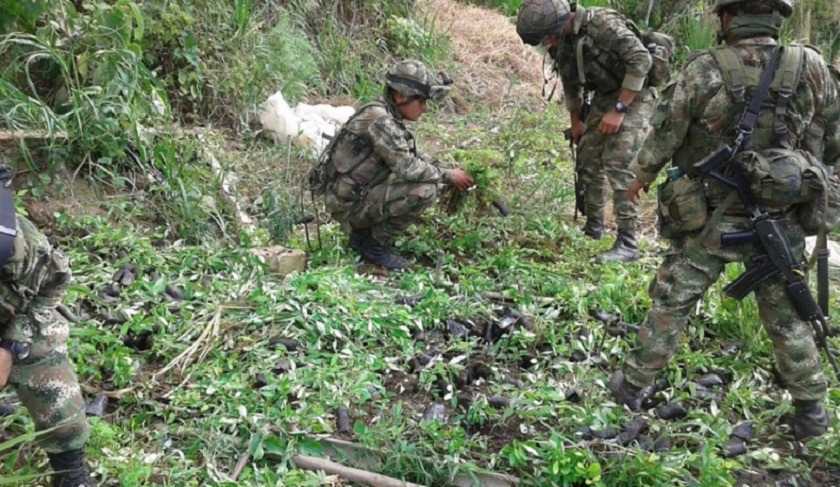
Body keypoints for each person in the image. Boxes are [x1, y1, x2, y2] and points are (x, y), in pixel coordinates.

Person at [610, 0, 840, 441]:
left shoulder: (704, 69)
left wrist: (638, 179)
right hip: (779, 220)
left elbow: (665, 133)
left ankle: (633, 386)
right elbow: (832, 140)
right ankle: (812, 410)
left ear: (729, 18)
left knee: (672, 301)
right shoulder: (811, 65)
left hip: (710, 220)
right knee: (788, 315)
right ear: (775, 18)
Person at [516, 0, 656, 263]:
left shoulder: (602, 26)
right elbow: (570, 80)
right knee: (588, 158)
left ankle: (628, 242)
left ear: (559, 24)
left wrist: (619, 108)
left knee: (618, 161)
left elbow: (641, 60)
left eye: (546, 37)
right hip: (605, 95)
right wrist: (576, 120)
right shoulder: (564, 42)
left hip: (635, 94)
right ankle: (594, 227)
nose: (546, 43)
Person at [319, 59, 474, 270]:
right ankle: (374, 248)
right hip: (347, 205)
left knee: (422, 177)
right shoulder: (381, 121)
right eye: (420, 101)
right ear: (400, 96)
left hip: (349, 196)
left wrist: (445, 169)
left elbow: (407, 157)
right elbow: (408, 167)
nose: (424, 108)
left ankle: (360, 238)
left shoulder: (384, 114)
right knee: (425, 190)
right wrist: (449, 176)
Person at [0, 165, 95, 486]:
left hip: (8, 318)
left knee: (44, 353)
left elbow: (52, 285)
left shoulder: (15, 246)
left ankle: (70, 470)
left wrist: (11, 346)